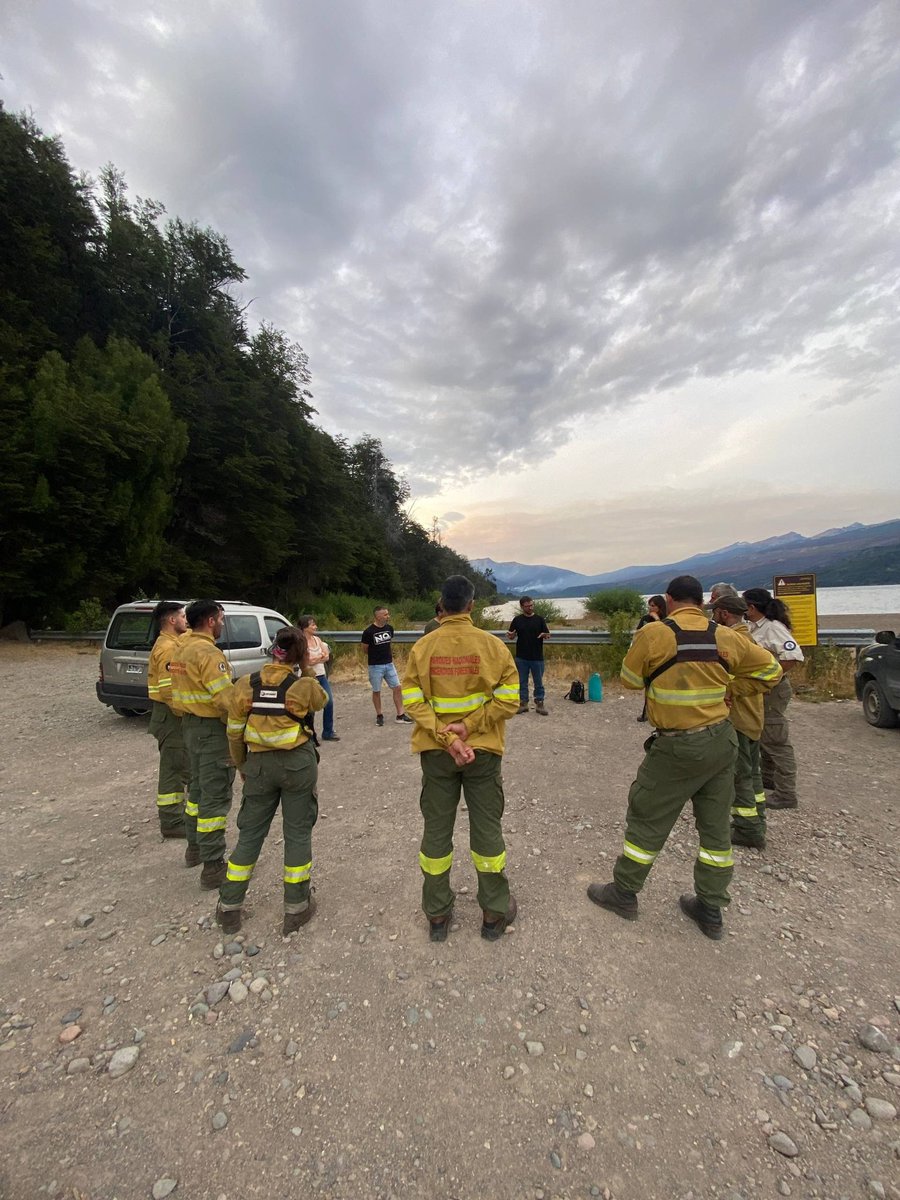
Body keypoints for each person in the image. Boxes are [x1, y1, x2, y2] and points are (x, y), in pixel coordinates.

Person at [587, 575, 782, 940]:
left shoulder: (655, 634)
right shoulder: (726, 636)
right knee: (715, 827)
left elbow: (629, 678)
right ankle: (710, 909)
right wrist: (732, 689)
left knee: (647, 817)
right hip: (722, 742)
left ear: (670, 600)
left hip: (676, 745)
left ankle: (624, 892)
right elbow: (771, 671)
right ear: (703, 601)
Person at [401, 575, 521, 942]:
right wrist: (469, 727)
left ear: (442, 605)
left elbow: (411, 702)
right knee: (486, 828)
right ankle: (493, 913)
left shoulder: (422, 648)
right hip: (483, 752)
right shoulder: (493, 646)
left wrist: (444, 736)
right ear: (471, 606)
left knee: (437, 830)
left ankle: (437, 915)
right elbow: (510, 698)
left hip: (437, 755)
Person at [217, 626, 328, 936]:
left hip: (258, 766)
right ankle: (296, 907)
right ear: (301, 654)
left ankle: (229, 907)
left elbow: (234, 732)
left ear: (272, 650)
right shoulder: (303, 685)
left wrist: (242, 765)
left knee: (250, 835)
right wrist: (306, 667)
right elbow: (322, 700)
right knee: (297, 832)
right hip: (297, 765)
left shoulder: (245, 685)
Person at [169, 600, 235, 889]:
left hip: (190, 729)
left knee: (195, 791)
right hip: (211, 732)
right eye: (220, 618)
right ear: (210, 621)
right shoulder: (208, 653)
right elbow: (224, 699)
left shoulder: (181, 647)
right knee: (214, 796)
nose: (222, 623)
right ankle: (213, 866)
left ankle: (193, 848)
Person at [710, 593, 769, 849]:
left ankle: (749, 829)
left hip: (741, 717)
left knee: (741, 775)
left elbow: (770, 673)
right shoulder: (748, 636)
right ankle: (758, 819)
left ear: (723, 613)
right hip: (751, 717)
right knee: (753, 774)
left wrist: (731, 688)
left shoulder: (737, 640)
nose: (712, 616)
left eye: (715, 612)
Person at [742, 587, 805, 810]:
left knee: (775, 737)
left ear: (751, 607)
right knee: (764, 734)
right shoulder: (754, 627)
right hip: (763, 689)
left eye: (744, 605)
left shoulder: (773, 628)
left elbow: (793, 656)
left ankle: (786, 793)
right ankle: (769, 778)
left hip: (774, 689)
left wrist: (770, 677)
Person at [147, 601, 190, 840]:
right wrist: (185, 713)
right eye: (183, 616)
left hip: (169, 713)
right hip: (171, 714)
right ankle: (172, 821)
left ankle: (176, 815)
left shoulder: (173, 643)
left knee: (179, 764)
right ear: (172, 620)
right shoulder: (167, 649)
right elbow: (168, 689)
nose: (186, 620)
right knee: (174, 768)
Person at [361, 606, 411, 726]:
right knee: (377, 690)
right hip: (375, 666)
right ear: (378, 616)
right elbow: (364, 649)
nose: (388, 617)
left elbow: (389, 643)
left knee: (397, 687)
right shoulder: (368, 632)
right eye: (385, 615)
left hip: (389, 664)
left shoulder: (389, 629)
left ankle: (400, 714)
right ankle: (379, 715)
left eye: (388, 614)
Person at [507, 596, 551, 715]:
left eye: (532, 605)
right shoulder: (517, 620)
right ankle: (523, 703)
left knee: (539, 682)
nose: (530, 608)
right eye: (527, 606)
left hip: (537, 657)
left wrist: (544, 635)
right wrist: (510, 635)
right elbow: (511, 635)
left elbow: (547, 634)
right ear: (522, 607)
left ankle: (540, 703)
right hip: (521, 657)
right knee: (522, 682)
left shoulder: (539, 619)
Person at [298, 615, 339, 741]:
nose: (315, 627)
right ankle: (310, 734)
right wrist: (318, 658)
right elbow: (305, 662)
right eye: (313, 625)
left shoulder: (317, 639)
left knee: (329, 702)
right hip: (308, 677)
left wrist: (316, 659)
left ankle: (328, 731)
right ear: (305, 627)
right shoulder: (300, 642)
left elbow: (326, 656)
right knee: (311, 707)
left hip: (321, 675)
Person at [635, 595, 666, 722]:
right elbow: (638, 634)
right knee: (648, 684)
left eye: (653, 605)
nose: (650, 608)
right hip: (648, 655)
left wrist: (657, 620)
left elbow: (665, 634)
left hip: (662, 655)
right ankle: (646, 712)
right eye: (649, 605)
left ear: (660, 607)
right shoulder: (645, 619)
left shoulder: (666, 620)